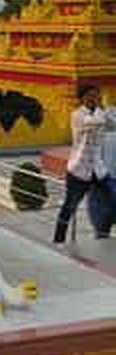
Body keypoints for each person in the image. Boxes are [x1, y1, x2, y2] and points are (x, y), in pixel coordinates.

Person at [53, 84, 116, 243]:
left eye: (96, 95)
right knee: (69, 206)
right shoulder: (77, 115)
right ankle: (58, 240)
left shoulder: (101, 113)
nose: (93, 98)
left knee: (113, 196)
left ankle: (103, 231)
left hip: (98, 169)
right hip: (79, 170)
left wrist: (105, 109)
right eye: (90, 95)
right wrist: (103, 110)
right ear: (82, 98)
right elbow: (93, 122)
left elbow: (113, 124)